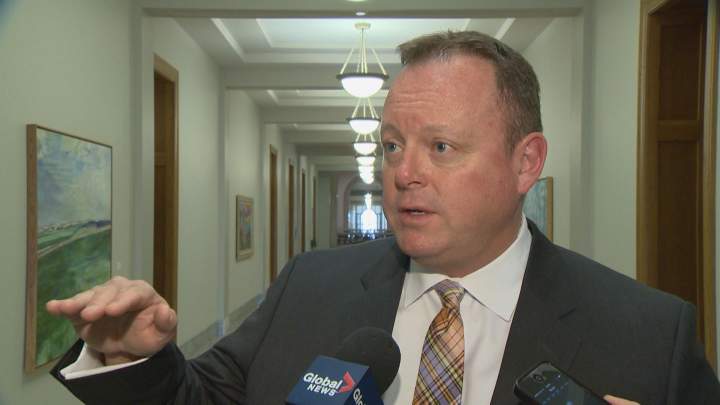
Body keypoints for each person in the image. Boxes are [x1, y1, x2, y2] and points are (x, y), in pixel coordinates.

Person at [47, 31, 719, 405]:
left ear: (526, 162)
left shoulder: (648, 336)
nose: (402, 172)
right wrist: (132, 357)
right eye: (393, 145)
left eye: (441, 147)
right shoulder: (309, 286)